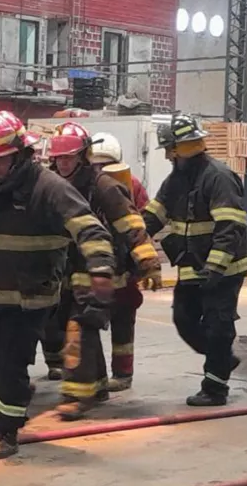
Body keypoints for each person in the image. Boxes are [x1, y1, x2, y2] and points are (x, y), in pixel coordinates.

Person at [0, 111, 115, 459]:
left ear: (20, 154)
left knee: (10, 364)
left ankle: (6, 433)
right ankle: (16, 394)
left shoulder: (49, 188)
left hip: (29, 297)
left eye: (1, 160)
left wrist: (101, 269)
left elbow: (91, 229)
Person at [45, 123, 161, 420]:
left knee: (80, 327)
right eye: (59, 158)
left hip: (100, 270)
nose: (63, 164)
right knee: (77, 327)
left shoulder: (103, 186)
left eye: (69, 157)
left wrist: (148, 262)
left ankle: (77, 395)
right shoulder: (53, 185)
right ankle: (96, 386)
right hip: (66, 272)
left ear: (83, 155)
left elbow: (131, 224)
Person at [142, 114, 247, 407]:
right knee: (184, 319)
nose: (168, 156)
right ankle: (222, 358)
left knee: (217, 326)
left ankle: (215, 388)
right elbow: (153, 216)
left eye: (170, 149)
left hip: (224, 270)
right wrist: (131, 238)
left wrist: (215, 267)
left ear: (181, 148)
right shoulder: (176, 180)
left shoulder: (218, 177)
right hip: (192, 266)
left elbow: (230, 227)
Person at [88, 131, 152, 391]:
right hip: (93, 265)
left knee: (123, 323)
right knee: (87, 322)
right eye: (96, 165)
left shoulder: (131, 185)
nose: (101, 170)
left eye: (105, 164)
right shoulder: (86, 185)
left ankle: (123, 374)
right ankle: (92, 376)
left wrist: (143, 259)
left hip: (123, 267)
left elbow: (142, 223)